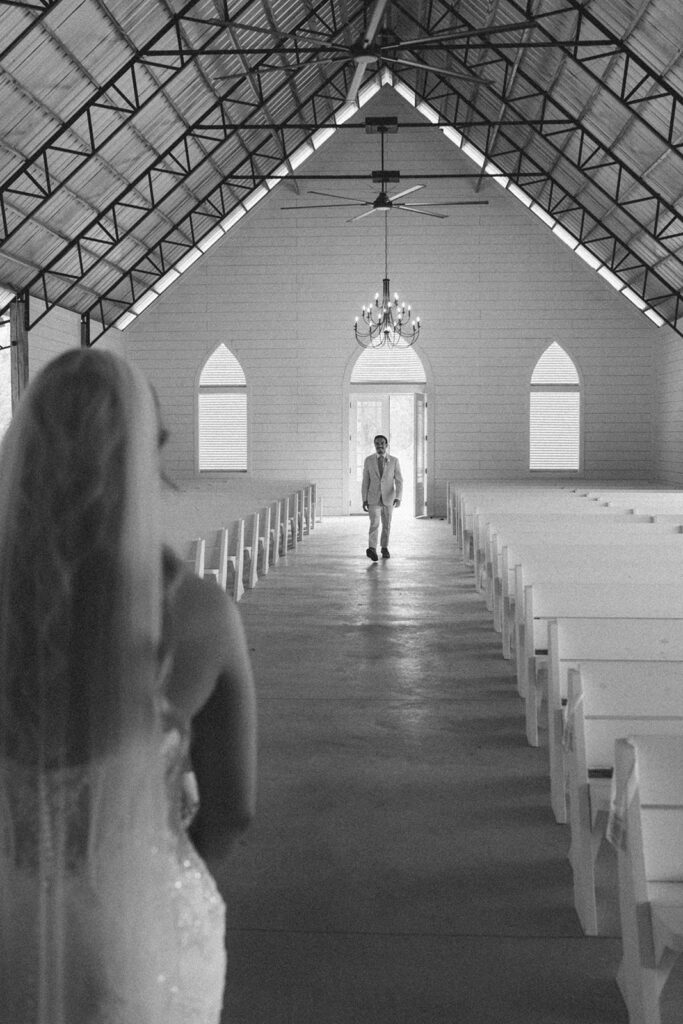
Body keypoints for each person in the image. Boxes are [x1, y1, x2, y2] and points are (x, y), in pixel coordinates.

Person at [0, 348, 256, 1024]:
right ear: (146, 455)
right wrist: (149, 874)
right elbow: (233, 811)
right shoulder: (197, 613)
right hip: (139, 924)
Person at [361, 434, 403, 561]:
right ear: (374, 445)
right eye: (377, 444)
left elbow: (399, 480)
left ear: (386, 445)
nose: (379, 446)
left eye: (382, 443)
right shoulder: (368, 460)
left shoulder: (394, 461)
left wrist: (398, 497)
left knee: (387, 524)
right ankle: (372, 549)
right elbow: (365, 481)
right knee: (374, 523)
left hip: (389, 498)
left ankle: (384, 547)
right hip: (373, 497)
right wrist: (364, 499)